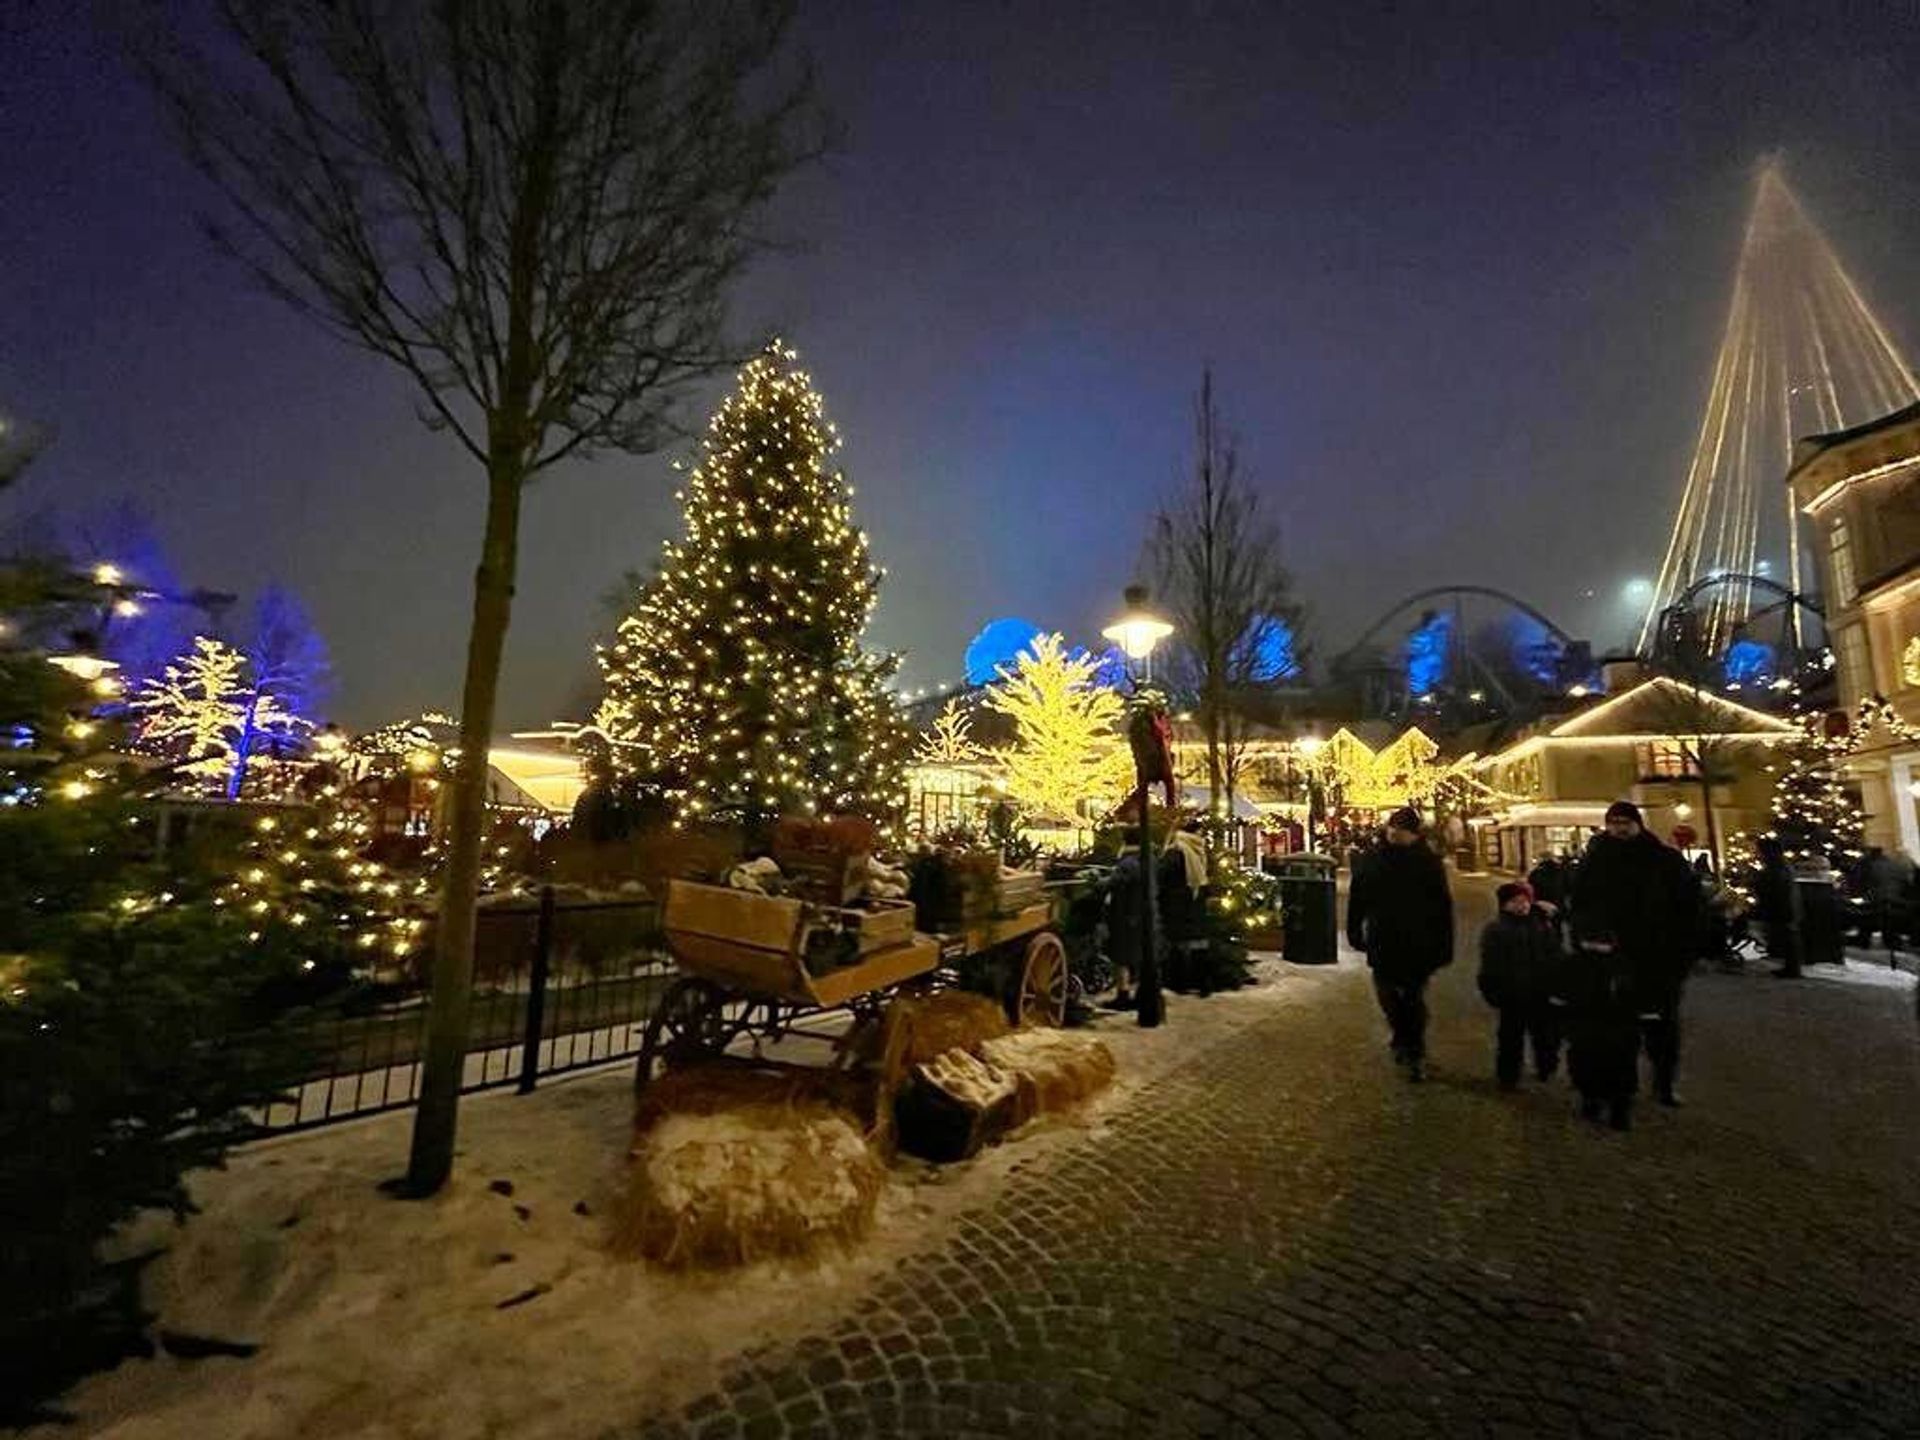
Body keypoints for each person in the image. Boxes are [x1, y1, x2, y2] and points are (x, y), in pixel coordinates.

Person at [1570, 800, 1700, 1127]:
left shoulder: (1664, 860)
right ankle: (1604, 1092)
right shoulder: (1595, 861)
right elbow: (1578, 904)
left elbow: (1689, 909)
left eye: (1624, 822)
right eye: (1613, 822)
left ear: (1637, 823)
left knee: (1662, 1027)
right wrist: (1587, 941)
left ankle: (1664, 1082)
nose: (1619, 827)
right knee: (1607, 1031)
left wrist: (1683, 954)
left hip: (1657, 959)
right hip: (1607, 958)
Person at [1346, 806, 1454, 1082]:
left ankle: (1414, 1050)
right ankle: (1401, 1033)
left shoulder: (1428, 862)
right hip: (1383, 938)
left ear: (1414, 834)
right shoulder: (1373, 858)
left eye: (1402, 831)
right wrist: (1354, 930)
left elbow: (1442, 907)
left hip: (1419, 942)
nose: (1395, 834)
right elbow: (1358, 897)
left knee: (1412, 997)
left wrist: (1443, 946)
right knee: (1387, 994)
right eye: (1392, 828)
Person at [1476, 880, 1565, 1089]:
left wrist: (1558, 983)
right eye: (1515, 901)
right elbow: (1490, 965)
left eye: (1525, 901)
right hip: (1512, 995)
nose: (1522, 905)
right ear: (1504, 905)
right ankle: (1508, 1075)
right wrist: (1492, 991)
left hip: (1540, 992)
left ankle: (1546, 1067)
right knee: (1510, 1038)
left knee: (1545, 1035)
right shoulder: (1496, 930)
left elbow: (1556, 955)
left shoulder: (1541, 926)